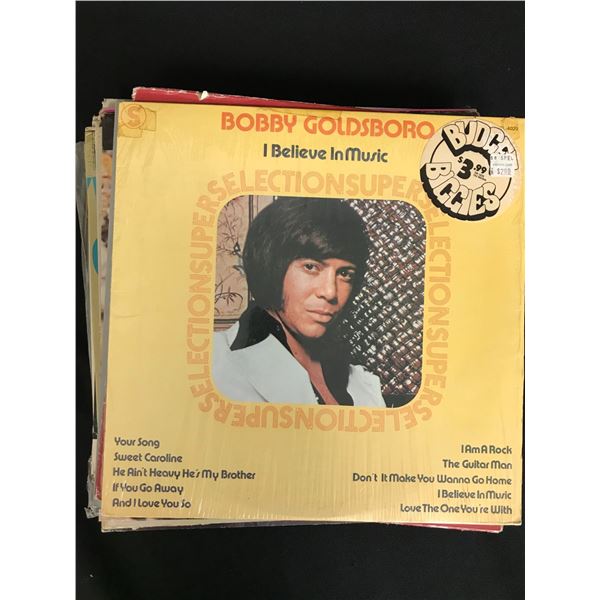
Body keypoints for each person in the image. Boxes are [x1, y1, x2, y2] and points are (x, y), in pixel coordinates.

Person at [212, 197, 385, 407]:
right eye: (311, 267)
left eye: (345, 274)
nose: (330, 292)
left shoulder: (360, 380)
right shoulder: (212, 360)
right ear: (272, 266)